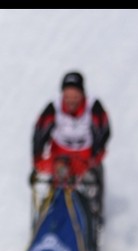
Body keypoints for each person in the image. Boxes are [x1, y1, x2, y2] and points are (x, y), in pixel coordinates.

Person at [31, 71, 111, 226]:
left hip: (86, 155)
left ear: (82, 95)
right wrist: (37, 157)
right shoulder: (54, 108)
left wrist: (95, 156)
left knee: (93, 181)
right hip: (60, 155)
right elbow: (40, 131)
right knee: (56, 181)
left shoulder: (93, 107)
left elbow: (104, 131)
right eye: (67, 97)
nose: (71, 101)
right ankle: (50, 217)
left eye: (75, 97)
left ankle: (95, 217)